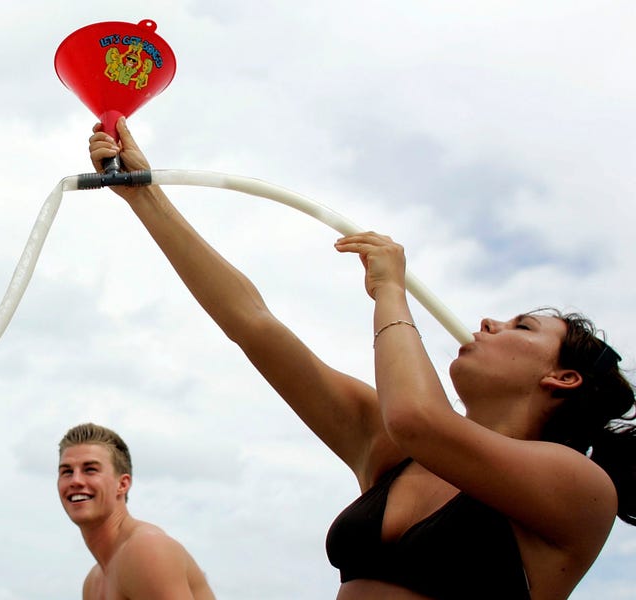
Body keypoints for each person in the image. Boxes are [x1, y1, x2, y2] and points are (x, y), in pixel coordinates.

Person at [88, 119, 636, 599]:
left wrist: (390, 292)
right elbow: (253, 325)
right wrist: (144, 196)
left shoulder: (580, 487)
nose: (490, 322)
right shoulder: (393, 449)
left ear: (563, 377)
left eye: (523, 327)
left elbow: (418, 417)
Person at [58, 423, 215, 599]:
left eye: (90, 470)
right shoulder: (93, 581)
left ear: (122, 484)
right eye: (67, 471)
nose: (76, 480)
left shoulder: (146, 548)